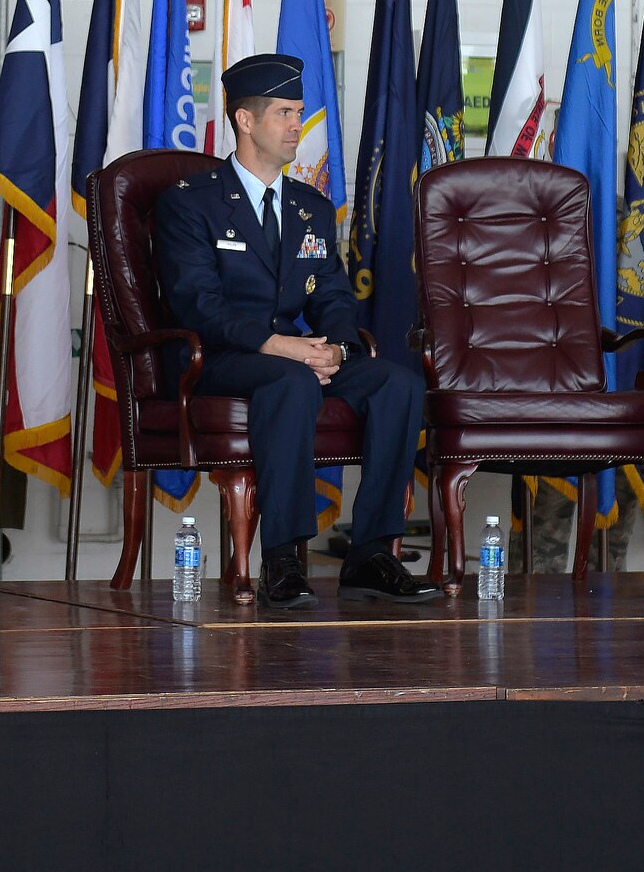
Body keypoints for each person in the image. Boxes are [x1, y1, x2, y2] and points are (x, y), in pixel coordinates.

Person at [152, 53, 435, 610]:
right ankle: (283, 561)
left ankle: (371, 553)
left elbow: (332, 292)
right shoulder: (191, 204)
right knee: (290, 381)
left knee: (397, 384)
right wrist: (281, 346)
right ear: (245, 121)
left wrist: (335, 348)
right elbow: (196, 303)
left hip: (294, 355)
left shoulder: (310, 206)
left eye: (299, 113)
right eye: (283, 113)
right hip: (220, 357)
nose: (296, 126)